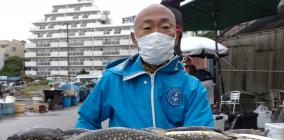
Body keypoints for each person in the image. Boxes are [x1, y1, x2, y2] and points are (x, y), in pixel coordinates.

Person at [75, 4, 213, 129]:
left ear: (176, 36)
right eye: (147, 28)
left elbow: (200, 136)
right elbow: (87, 121)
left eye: (165, 27)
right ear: (134, 39)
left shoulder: (193, 87)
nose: (157, 34)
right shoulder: (113, 79)